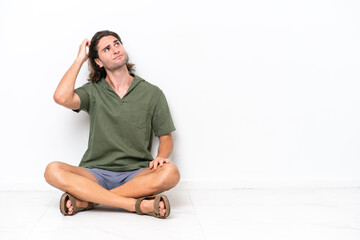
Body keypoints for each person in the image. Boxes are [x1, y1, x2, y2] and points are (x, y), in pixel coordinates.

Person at [44, 30, 180, 219]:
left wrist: (162, 156)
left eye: (117, 43)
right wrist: (79, 61)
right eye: (107, 49)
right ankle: (134, 204)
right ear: (98, 62)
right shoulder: (93, 91)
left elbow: (166, 138)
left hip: (137, 173)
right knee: (52, 170)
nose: (115, 49)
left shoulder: (152, 93)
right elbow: (61, 97)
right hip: (94, 174)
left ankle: (88, 201)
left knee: (171, 172)